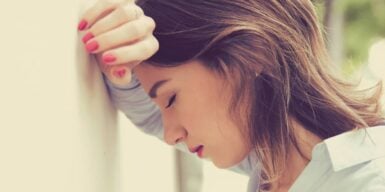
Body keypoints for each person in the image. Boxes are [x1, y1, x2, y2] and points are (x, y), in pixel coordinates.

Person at [78, 0, 385, 191]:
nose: (171, 134)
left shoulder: (369, 180)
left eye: (171, 99)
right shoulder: (275, 162)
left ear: (254, 54)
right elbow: (148, 115)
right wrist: (122, 53)